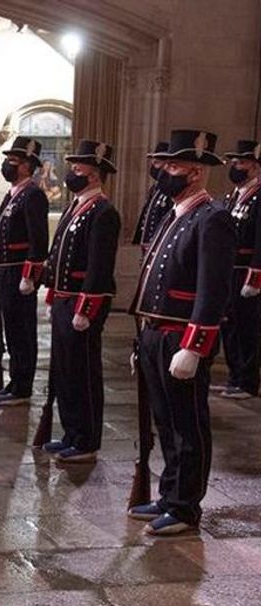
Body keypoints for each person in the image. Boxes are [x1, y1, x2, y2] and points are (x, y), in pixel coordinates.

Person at [127, 129, 234, 536]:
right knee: (164, 421)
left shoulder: (213, 219)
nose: (163, 172)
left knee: (187, 422)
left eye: (172, 166)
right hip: (157, 333)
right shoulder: (174, 215)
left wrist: (194, 345)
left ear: (195, 172)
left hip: (181, 337)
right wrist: (144, 336)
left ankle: (186, 505)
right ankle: (169, 494)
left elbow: (212, 292)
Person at [39, 140, 121, 463]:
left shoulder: (103, 212)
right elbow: (59, 254)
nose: (71, 172)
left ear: (95, 174)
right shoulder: (76, 206)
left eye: (78, 168)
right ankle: (71, 432)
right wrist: (52, 295)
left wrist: (86, 309)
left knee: (83, 372)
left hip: (81, 305)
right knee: (64, 371)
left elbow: (99, 268)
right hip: (65, 300)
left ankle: (86, 439)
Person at [0, 136, 49, 406]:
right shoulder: (14, 195)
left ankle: (22, 385)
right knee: (10, 330)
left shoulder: (33, 195)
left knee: (22, 330)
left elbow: (38, 240)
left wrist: (30, 275)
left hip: (18, 274)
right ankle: (14, 381)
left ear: (27, 166)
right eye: (8, 161)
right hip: (5, 272)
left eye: (13, 161)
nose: (8, 166)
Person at [214, 140, 261, 399]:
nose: (235, 167)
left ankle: (248, 380)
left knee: (247, 327)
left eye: (240, 163)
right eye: (233, 163)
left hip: (246, 271)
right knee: (229, 325)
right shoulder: (233, 196)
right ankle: (234, 376)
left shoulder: (258, 196)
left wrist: (255, 277)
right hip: (230, 269)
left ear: (254, 168)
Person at [130, 141, 174, 255]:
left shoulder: (169, 192)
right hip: (149, 246)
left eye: (157, 163)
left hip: (159, 246)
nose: (153, 167)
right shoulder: (155, 189)